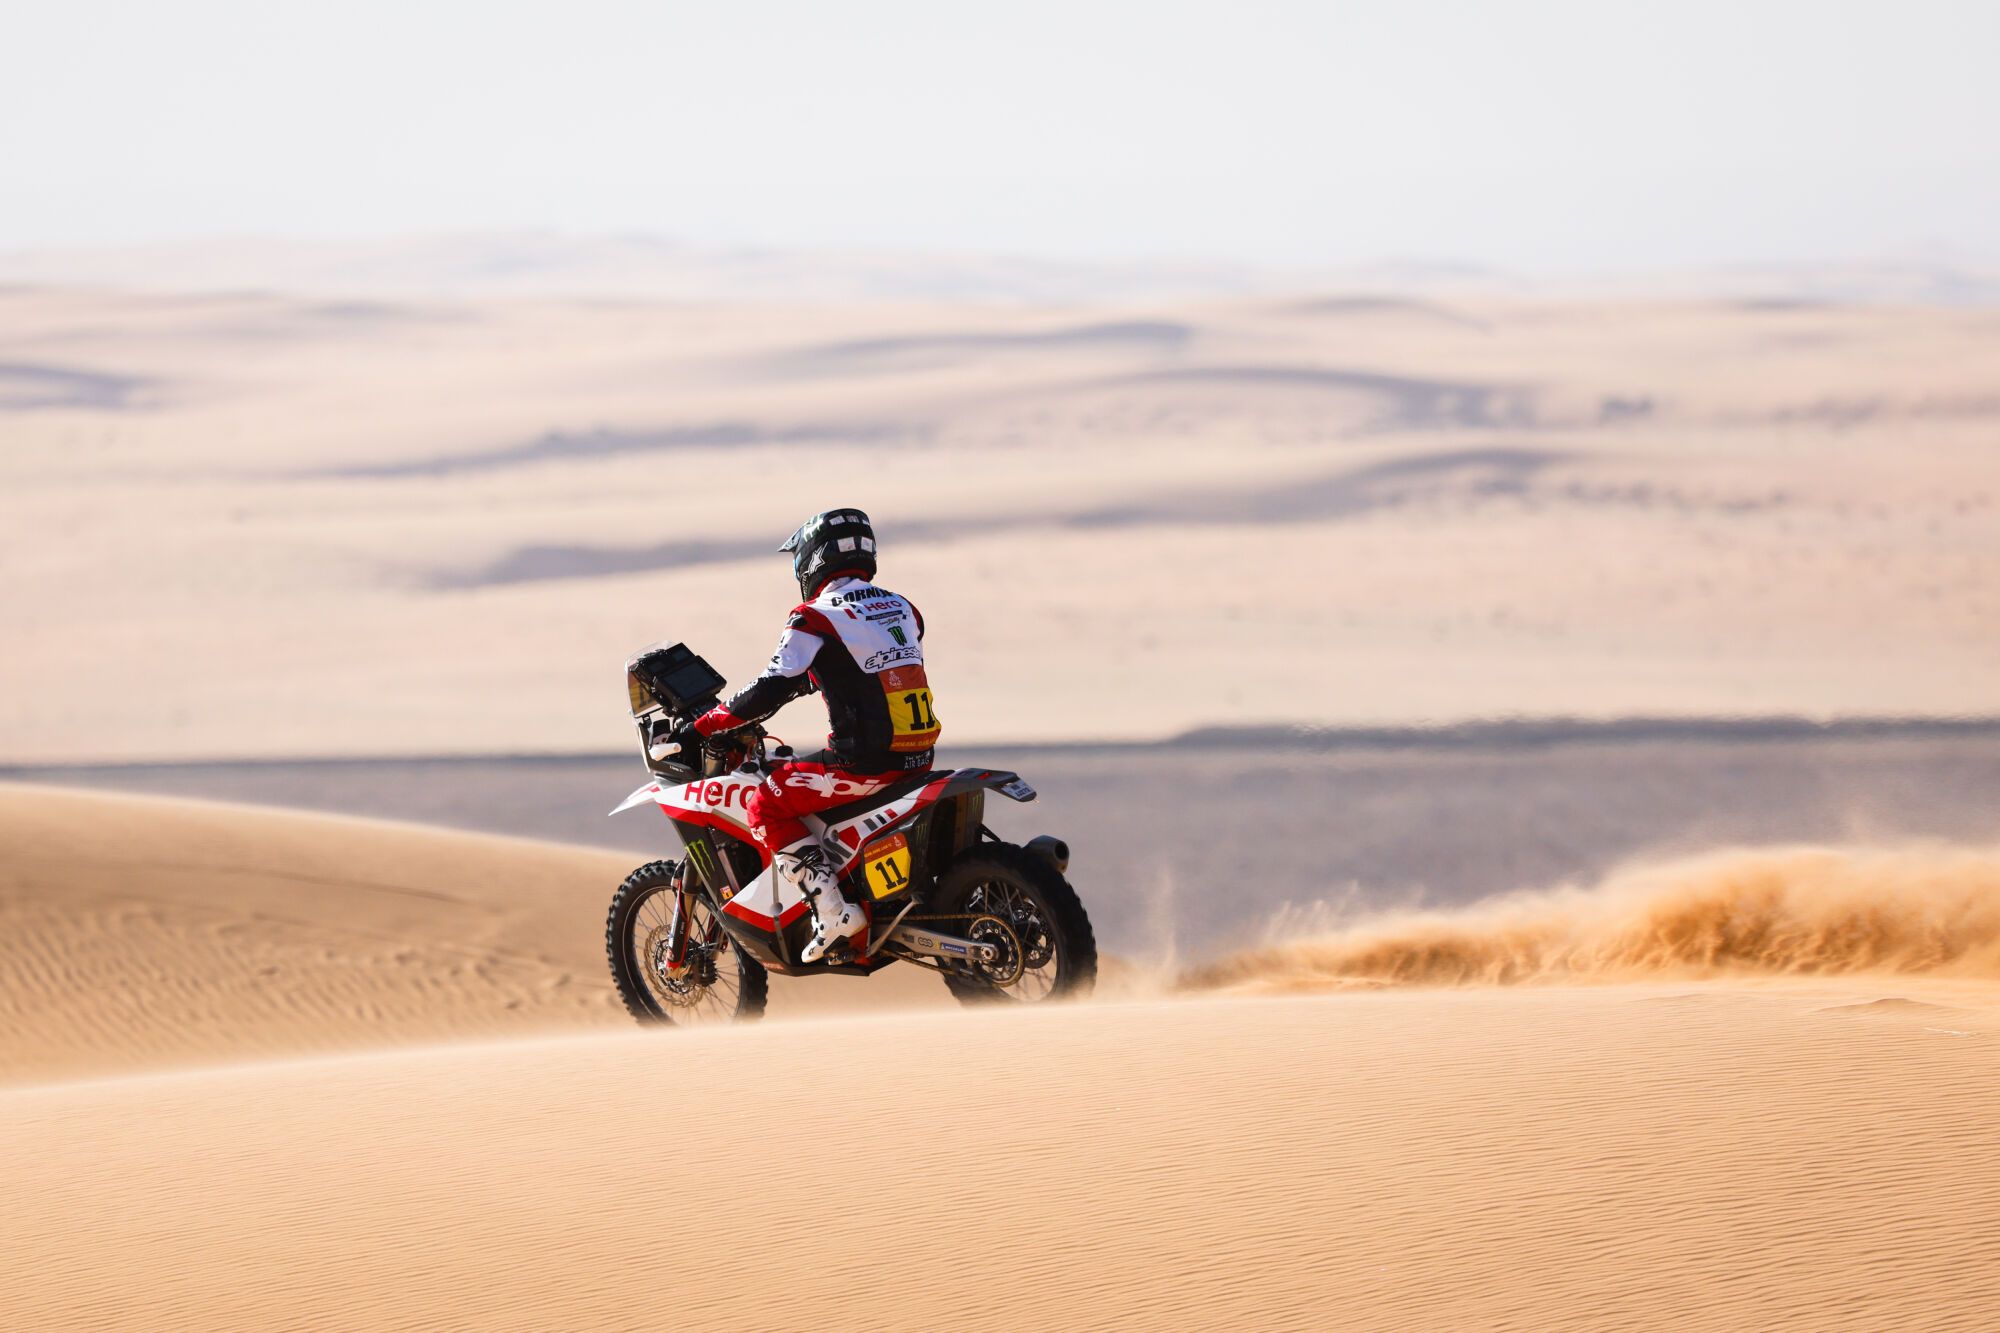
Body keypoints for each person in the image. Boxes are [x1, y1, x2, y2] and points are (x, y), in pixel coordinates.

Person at [675, 508, 940, 962]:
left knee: (766, 804)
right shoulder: (903, 607)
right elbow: (860, 671)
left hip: (864, 765)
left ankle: (832, 908)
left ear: (812, 561)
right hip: (919, 758)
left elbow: (772, 684)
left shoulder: (812, 617)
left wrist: (709, 723)